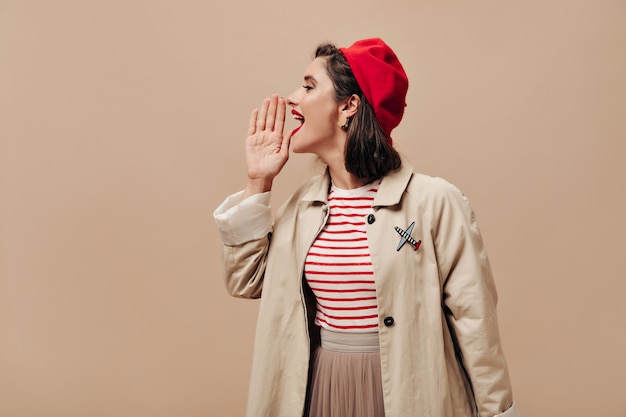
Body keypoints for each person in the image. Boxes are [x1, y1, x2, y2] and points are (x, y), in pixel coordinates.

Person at [214, 38, 521, 417]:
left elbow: (476, 324)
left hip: (409, 390)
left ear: (349, 106)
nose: (293, 98)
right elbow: (246, 280)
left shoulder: (434, 201)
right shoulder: (303, 207)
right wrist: (258, 182)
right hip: (322, 386)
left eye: (309, 86)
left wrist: (499, 411)